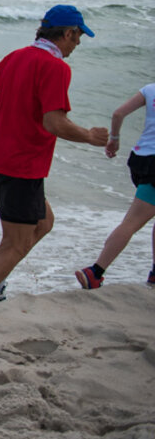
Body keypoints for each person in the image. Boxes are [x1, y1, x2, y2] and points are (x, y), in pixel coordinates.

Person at [0, 5, 108, 308]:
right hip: (22, 167)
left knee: (44, 222)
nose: (78, 43)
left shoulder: (16, 56)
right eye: (78, 36)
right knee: (15, 243)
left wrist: (6, 121)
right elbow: (55, 123)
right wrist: (90, 136)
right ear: (67, 33)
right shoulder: (56, 67)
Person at [73, 84, 155, 289]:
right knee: (132, 222)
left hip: (141, 160)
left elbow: (118, 113)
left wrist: (114, 139)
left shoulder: (150, 89)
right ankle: (95, 272)